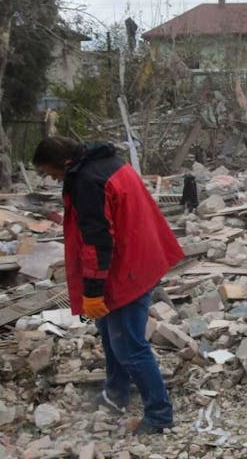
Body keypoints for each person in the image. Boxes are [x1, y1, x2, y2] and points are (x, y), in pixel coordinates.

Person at [32, 137, 182, 435]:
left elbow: (98, 241)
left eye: (51, 173)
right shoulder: (105, 162)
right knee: (110, 334)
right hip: (138, 257)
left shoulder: (87, 181)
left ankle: (159, 415)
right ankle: (116, 393)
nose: (53, 179)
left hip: (126, 269)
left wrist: (93, 291)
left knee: (129, 346)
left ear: (64, 162)